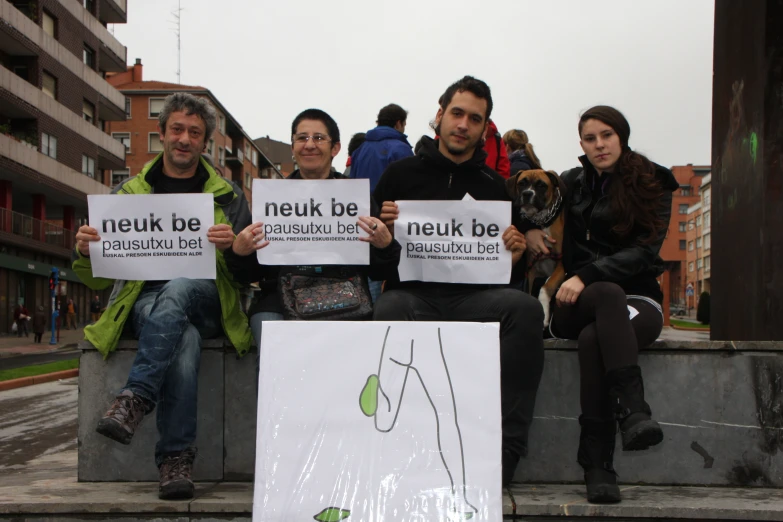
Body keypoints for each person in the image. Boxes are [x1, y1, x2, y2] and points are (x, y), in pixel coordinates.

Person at [72, 93, 253, 501]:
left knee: (183, 286)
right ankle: (175, 462)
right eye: (177, 129)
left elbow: (247, 276)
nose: (184, 139)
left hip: (208, 299)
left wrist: (234, 250)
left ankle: (136, 396)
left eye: (194, 132)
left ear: (205, 143)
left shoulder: (229, 197)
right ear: (162, 134)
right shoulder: (129, 194)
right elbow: (99, 281)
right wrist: (84, 252)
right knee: (182, 338)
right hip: (146, 303)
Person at [372, 76, 545, 487]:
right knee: (389, 308)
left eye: (474, 118)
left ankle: (506, 449)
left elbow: (508, 269)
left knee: (525, 308)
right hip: (412, 296)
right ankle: (393, 441)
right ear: (439, 115)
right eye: (457, 113)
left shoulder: (495, 187)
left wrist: (516, 252)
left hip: (475, 300)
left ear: (485, 128)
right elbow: (373, 262)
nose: (463, 124)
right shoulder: (398, 176)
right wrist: (383, 238)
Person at [526, 105, 678, 504]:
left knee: (598, 337)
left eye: (606, 135)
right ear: (582, 145)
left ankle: (597, 464)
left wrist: (589, 273)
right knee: (607, 294)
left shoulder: (654, 181)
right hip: (576, 299)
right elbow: (526, 205)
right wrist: (528, 233)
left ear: (621, 137)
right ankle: (633, 411)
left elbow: (646, 252)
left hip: (638, 298)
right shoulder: (571, 183)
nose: (599, 145)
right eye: (590, 139)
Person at [225, 108, 399, 346]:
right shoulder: (271, 200)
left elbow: (382, 272)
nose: (309, 145)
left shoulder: (356, 198)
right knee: (271, 358)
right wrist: (239, 252)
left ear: (335, 148)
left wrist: (385, 245)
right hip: (277, 299)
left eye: (318, 138)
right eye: (302, 138)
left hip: (346, 298)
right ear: (293, 147)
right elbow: (248, 275)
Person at [348, 104, 413, 193]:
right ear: (398, 124)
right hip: (391, 205)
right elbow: (410, 186)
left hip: (362, 205)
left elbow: (352, 185)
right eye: (404, 125)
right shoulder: (401, 149)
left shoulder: (359, 150)